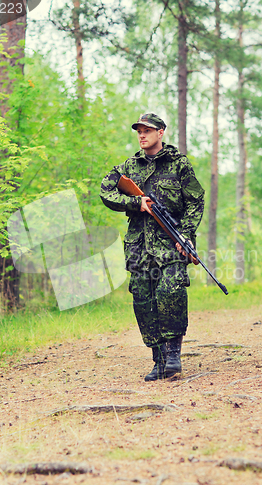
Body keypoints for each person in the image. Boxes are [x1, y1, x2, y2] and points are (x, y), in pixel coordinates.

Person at [100, 113, 204, 381]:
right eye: (139, 131)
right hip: (139, 247)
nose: (142, 135)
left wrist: (188, 235)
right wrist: (136, 204)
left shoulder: (179, 164)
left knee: (171, 294)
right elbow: (106, 192)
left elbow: (196, 200)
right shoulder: (129, 166)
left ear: (161, 133)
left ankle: (173, 356)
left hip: (170, 244)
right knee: (143, 302)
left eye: (147, 130)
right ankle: (158, 359)